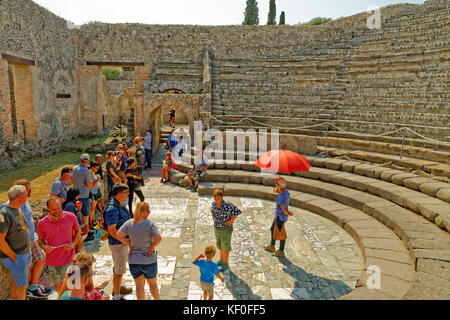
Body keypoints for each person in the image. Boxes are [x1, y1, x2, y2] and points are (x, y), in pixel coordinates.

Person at [117, 202, 161, 300]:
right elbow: (158, 238)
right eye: (148, 211)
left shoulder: (129, 223)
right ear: (144, 212)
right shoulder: (149, 224)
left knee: (139, 286)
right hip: (149, 260)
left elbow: (119, 235)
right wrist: (151, 248)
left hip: (134, 260)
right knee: (153, 284)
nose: (149, 213)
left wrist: (130, 245)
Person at [37, 197, 81, 294]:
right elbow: (40, 241)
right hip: (52, 261)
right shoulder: (42, 223)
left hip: (69, 258)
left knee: (72, 286)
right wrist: (44, 247)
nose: (57, 211)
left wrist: (74, 244)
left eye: (59, 208)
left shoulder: (71, 216)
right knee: (58, 285)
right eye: (53, 209)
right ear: (48, 209)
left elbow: (78, 231)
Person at [0, 185, 31, 300]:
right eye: (26, 194)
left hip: (22, 254)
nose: (28, 196)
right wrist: (14, 257)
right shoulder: (4, 214)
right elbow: (0, 241)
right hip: (17, 256)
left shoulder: (17, 208)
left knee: (16, 284)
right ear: (19, 196)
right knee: (22, 286)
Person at [103, 183, 133, 300]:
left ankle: (118, 287)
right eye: (126, 192)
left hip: (121, 243)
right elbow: (112, 230)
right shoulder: (112, 209)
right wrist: (126, 241)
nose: (128, 194)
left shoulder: (119, 204)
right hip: (118, 244)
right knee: (119, 271)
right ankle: (116, 296)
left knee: (118, 268)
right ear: (119, 194)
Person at [210, 189, 241, 272]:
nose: (216, 200)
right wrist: (214, 219)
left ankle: (226, 263)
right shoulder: (214, 204)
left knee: (225, 247)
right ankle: (221, 260)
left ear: (222, 197)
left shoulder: (227, 205)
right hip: (217, 229)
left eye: (218, 199)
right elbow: (212, 211)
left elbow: (237, 211)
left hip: (226, 230)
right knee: (220, 245)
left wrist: (230, 221)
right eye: (215, 198)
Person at [72, 154, 99, 241]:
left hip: (75, 196)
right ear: (88, 161)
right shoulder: (86, 171)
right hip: (84, 195)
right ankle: (85, 235)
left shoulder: (74, 168)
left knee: (78, 216)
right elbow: (89, 185)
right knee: (85, 216)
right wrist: (92, 178)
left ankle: (78, 235)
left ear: (80, 160)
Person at [264, 177, 293, 258]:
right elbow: (283, 196)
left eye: (276, 184)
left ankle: (281, 251)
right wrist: (278, 191)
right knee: (273, 229)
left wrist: (288, 213)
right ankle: (272, 246)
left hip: (280, 217)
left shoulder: (281, 197)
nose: (275, 185)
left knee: (281, 234)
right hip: (279, 216)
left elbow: (283, 209)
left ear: (278, 186)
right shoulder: (286, 192)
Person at [62, 188, 84, 253]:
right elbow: (71, 218)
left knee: (79, 242)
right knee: (79, 243)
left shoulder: (70, 204)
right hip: (73, 229)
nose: (78, 197)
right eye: (77, 195)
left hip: (75, 227)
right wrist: (79, 209)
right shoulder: (69, 205)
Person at [88, 161, 102, 232]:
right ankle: (91, 223)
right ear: (92, 167)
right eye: (96, 168)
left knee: (93, 209)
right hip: (92, 193)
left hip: (94, 192)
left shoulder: (92, 173)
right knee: (92, 209)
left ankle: (92, 221)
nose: (97, 169)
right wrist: (97, 179)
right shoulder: (90, 173)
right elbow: (91, 184)